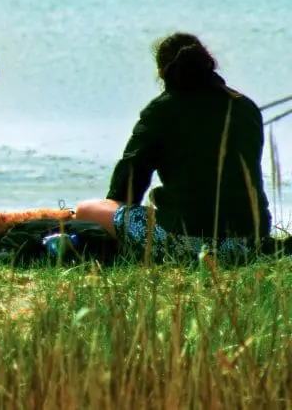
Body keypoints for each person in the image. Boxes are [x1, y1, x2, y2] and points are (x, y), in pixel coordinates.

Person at [74, 32, 272, 262]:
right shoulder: (245, 107)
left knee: (87, 209)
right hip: (251, 241)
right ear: (209, 63)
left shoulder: (160, 111)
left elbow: (126, 186)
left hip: (188, 243)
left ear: (162, 72)